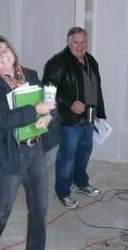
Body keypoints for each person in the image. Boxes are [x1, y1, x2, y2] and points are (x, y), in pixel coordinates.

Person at [0, 35, 56, 250]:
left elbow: (49, 103)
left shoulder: (30, 74)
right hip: (9, 152)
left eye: (5, 50)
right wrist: (35, 110)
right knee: (3, 206)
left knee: (39, 208)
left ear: (12, 52)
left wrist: (49, 115)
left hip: (36, 150)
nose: (2, 56)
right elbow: (4, 120)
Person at [42, 27, 106, 209]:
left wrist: (99, 113)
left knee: (85, 152)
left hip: (89, 118)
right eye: (76, 42)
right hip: (69, 120)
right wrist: (69, 102)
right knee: (67, 157)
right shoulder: (57, 62)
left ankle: (81, 182)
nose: (80, 45)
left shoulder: (91, 60)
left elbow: (96, 89)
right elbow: (48, 89)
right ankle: (63, 192)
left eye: (83, 42)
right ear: (69, 43)